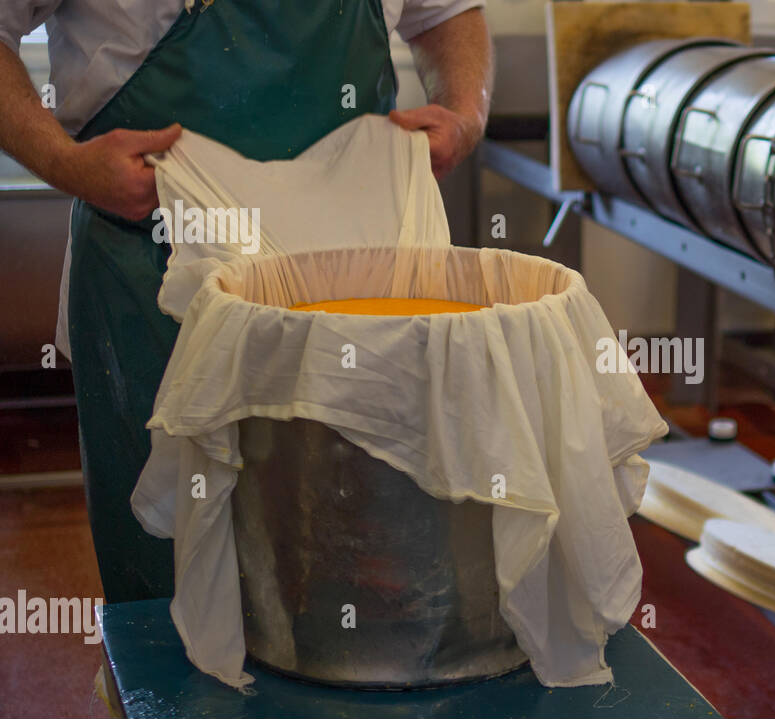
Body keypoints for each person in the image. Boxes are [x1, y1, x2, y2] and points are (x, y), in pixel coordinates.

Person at [0, 0, 493, 602]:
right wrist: (65, 163)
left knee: (358, 554)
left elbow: (447, 11)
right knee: (174, 569)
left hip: (354, 284)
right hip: (156, 271)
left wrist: (465, 112)